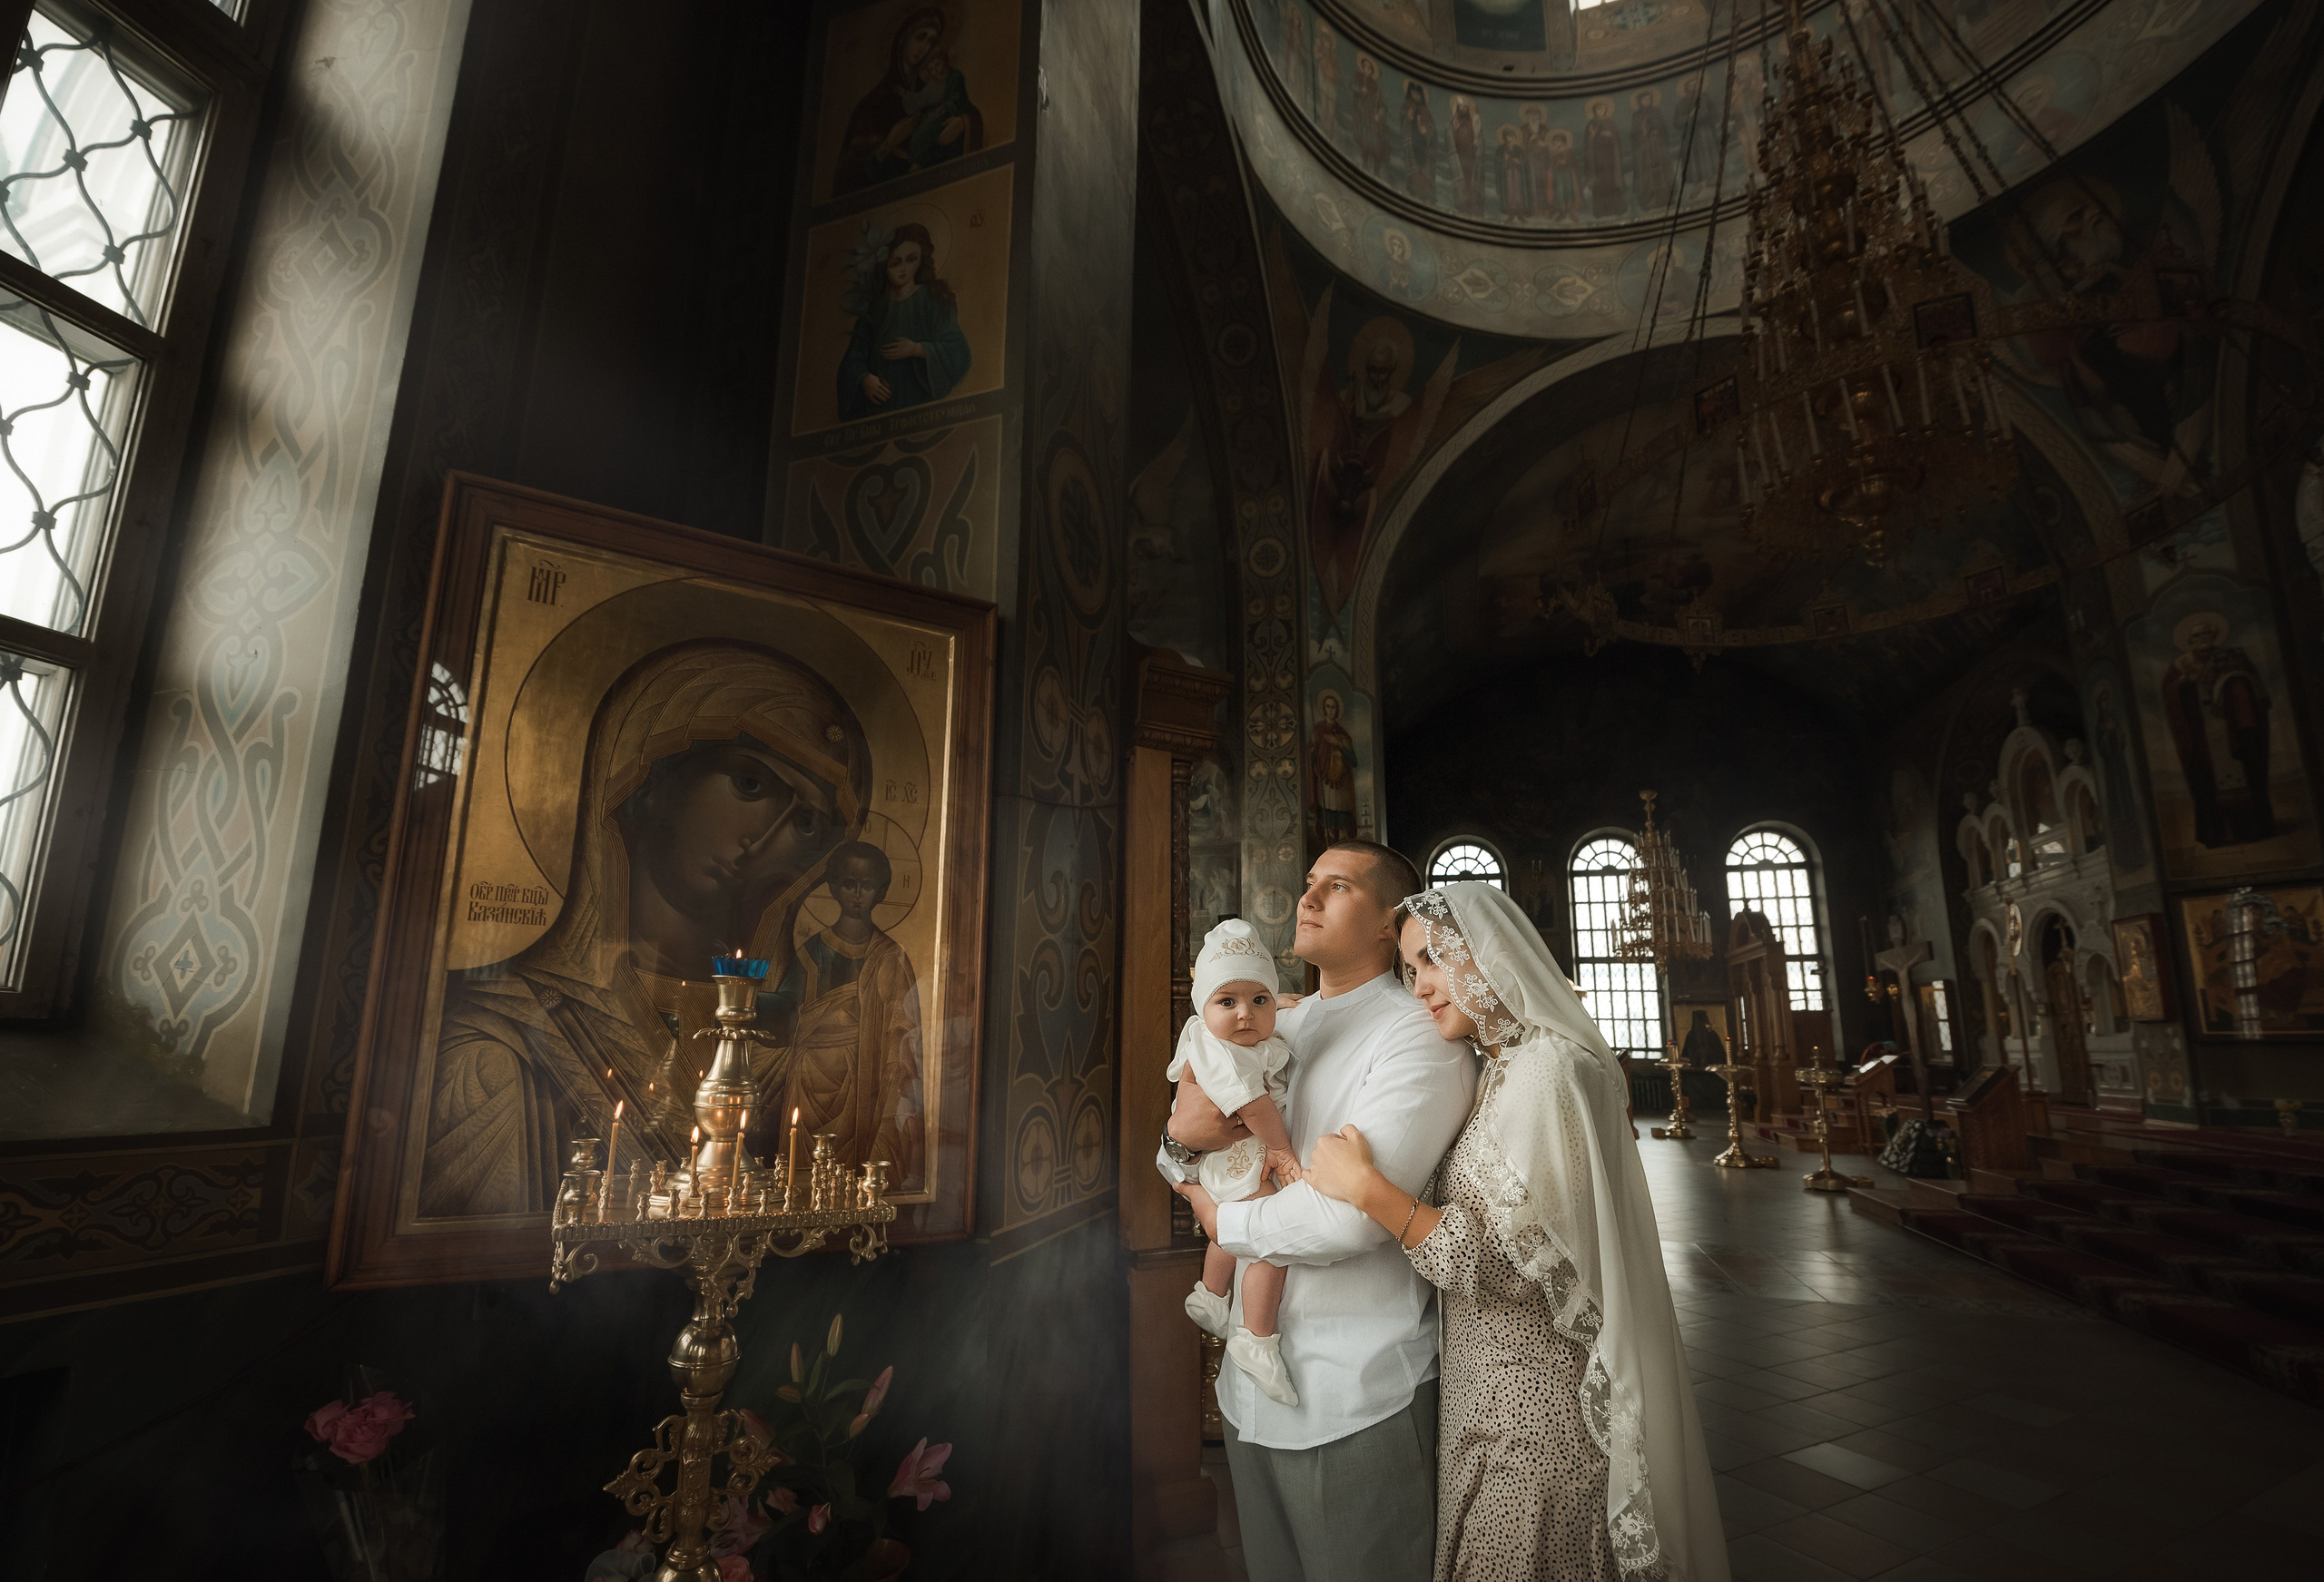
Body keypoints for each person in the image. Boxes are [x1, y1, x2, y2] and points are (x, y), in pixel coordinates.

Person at [1305, 881, 1728, 1581]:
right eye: (1411, 971)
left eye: (1435, 959)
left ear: (1494, 953)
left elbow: (1502, 1260)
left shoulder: (1551, 1070)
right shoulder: (1501, 1067)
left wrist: (1367, 1189)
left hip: (1536, 1420)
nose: (1422, 986)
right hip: (1485, 1395)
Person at [424, 644, 869, 1216]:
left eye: (805, 822)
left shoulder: (803, 1045)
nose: (763, 839)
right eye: (750, 785)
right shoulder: (497, 1051)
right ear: (651, 778)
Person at [1169, 841, 1475, 1582]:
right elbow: (1182, 1142)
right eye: (1308, 883)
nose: (1306, 898)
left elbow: (1348, 1220)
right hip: (1246, 1394)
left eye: (1335, 887)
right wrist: (1181, 1152)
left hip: (1355, 1390)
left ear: (1385, 924)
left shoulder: (1415, 1036)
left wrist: (1220, 1219)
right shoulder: (1272, 1018)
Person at [1162, 920, 1302, 1404]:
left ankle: (1211, 1293)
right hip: (1234, 1153)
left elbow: (1250, 1003)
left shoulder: (1222, 1034)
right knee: (1266, 1235)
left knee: (1233, 1225)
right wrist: (1282, 1151)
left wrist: (1275, 1004)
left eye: (1259, 1000)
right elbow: (1253, 1106)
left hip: (1225, 1157)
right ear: (1203, 1006)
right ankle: (1255, 1338)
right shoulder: (1223, 1053)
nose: (1245, 1015)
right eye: (1229, 1002)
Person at [763, 840, 926, 1191]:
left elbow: (904, 1033)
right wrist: (748, 1001)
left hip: (860, 1085)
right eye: (849, 884)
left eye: (866, 886)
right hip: (808, 1081)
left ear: (880, 892)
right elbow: (788, 1011)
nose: (857, 895)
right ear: (834, 888)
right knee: (803, 1185)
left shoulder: (890, 958)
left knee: (851, 1179)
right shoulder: (811, 953)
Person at [837, 224, 971, 422]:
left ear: (920, 261)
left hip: (920, 409)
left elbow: (958, 350)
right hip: (879, 410)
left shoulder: (934, 299)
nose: (903, 269)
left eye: (911, 260)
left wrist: (917, 349)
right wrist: (865, 379)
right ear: (884, 266)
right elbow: (854, 356)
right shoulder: (875, 308)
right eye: (895, 263)